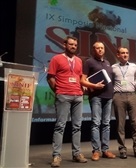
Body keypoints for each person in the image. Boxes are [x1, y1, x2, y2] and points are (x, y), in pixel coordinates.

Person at [47, 36, 88, 167]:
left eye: (75, 45)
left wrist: (83, 87)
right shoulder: (56, 59)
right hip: (63, 95)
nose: (73, 47)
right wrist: (58, 91)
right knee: (60, 126)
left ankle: (76, 154)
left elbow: (80, 77)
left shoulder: (79, 60)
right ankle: (56, 156)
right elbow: (50, 77)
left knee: (77, 126)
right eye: (71, 44)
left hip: (78, 96)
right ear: (64, 45)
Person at [80, 41, 116, 161]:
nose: (100, 50)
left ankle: (105, 149)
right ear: (93, 50)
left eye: (102, 48)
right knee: (96, 123)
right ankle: (96, 151)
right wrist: (94, 86)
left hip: (108, 96)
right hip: (96, 96)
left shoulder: (107, 62)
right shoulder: (89, 62)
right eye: (98, 48)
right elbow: (83, 80)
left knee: (106, 123)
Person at [111, 47, 136, 159]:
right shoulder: (113, 67)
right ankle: (122, 150)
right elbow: (110, 83)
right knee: (120, 125)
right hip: (118, 96)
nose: (125, 54)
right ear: (118, 55)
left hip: (132, 95)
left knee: (135, 124)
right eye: (123, 53)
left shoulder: (134, 66)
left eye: (127, 52)